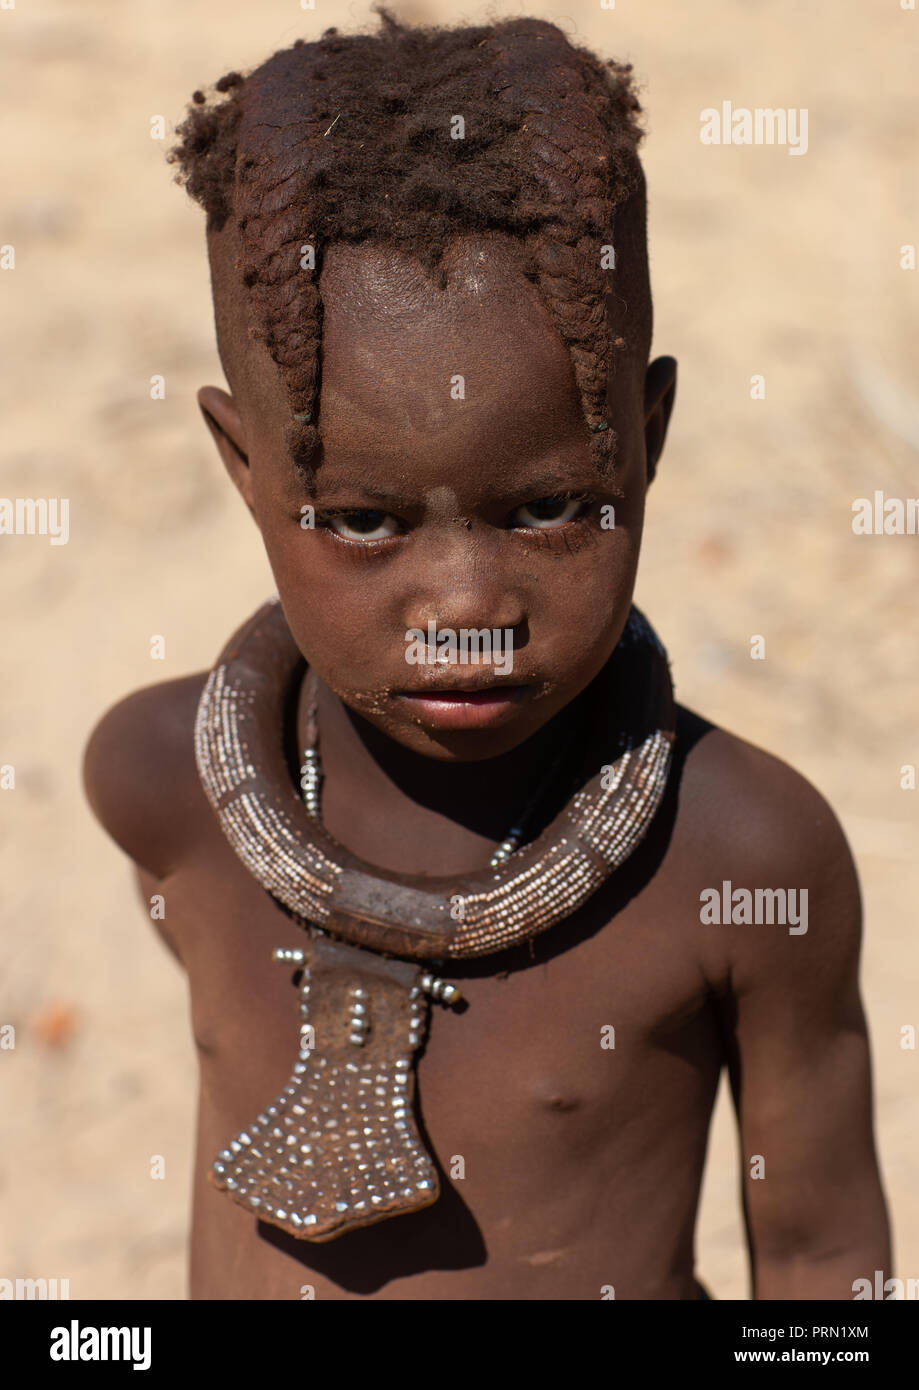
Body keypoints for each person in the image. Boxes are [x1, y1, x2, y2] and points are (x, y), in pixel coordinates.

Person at [83, 9, 891, 1299]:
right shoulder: (161, 785)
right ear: (245, 469)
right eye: (361, 521)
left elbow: (820, 1254)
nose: (464, 606)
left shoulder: (745, 859)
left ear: (648, 437)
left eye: (549, 507)